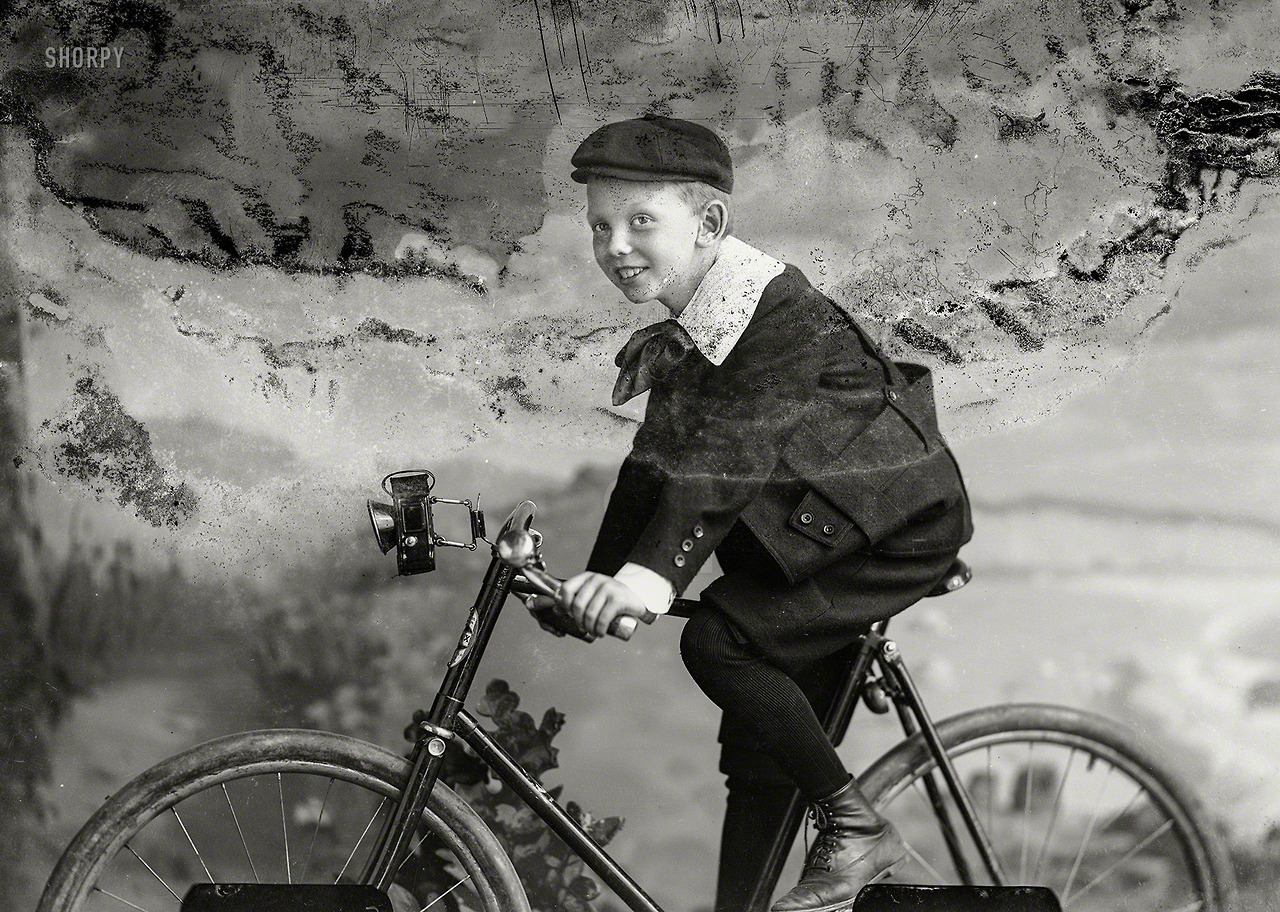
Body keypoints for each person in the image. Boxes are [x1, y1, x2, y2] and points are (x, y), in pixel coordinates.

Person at [545, 114, 972, 912]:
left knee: (719, 641)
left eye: (640, 222)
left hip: (890, 536)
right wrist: (593, 584)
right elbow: (653, 468)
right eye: (600, 226)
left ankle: (859, 828)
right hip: (808, 535)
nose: (615, 246)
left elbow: (726, 459)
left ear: (709, 223)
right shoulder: (697, 323)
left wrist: (641, 584)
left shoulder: (778, 315)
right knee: (760, 758)